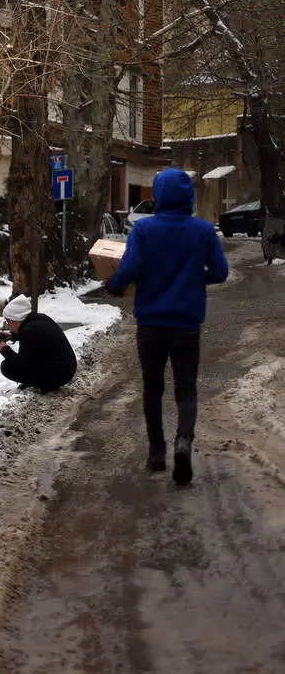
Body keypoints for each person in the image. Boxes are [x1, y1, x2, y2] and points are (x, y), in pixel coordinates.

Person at [106, 166, 228, 485]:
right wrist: (193, 278)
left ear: (159, 194)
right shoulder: (203, 231)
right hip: (187, 325)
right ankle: (184, 441)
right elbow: (220, 272)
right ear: (188, 197)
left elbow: (129, 267)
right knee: (186, 389)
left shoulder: (144, 231)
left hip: (151, 325)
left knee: (152, 389)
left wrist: (115, 284)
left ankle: (157, 453)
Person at [0, 294, 78, 394]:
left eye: (8, 321)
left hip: (57, 376)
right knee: (33, 358)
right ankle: (38, 381)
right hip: (66, 369)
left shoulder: (28, 331)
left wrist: (5, 350)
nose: (8, 324)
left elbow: (21, 364)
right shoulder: (39, 318)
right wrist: (13, 336)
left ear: (16, 319)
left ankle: (40, 384)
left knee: (7, 366)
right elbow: (36, 339)